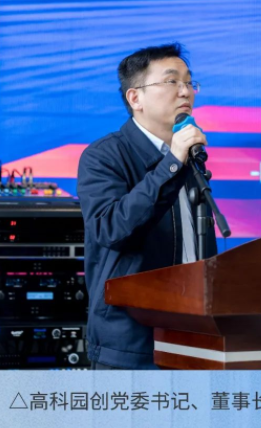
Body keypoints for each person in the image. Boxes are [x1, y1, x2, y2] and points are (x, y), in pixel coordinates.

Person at [77, 43, 218, 370]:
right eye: (171, 81)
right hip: (132, 343)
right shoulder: (104, 156)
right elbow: (112, 229)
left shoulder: (189, 157)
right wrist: (171, 164)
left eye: (189, 82)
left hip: (194, 335)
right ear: (135, 98)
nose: (185, 91)